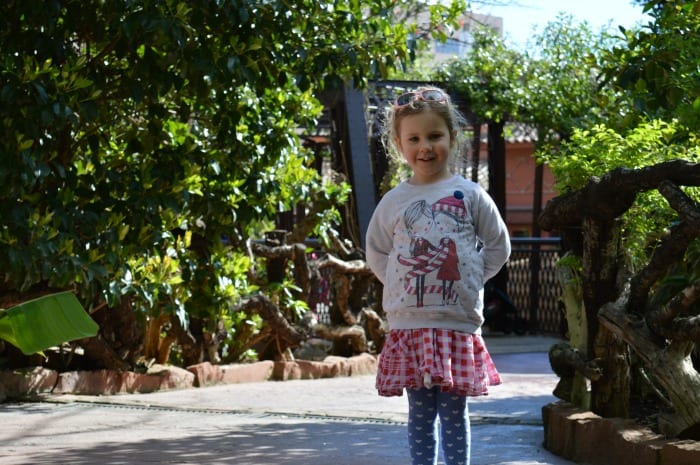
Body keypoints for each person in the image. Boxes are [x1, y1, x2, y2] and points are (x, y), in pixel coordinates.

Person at [365, 86, 511, 465]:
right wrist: (397, 284)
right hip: (410, 324)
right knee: (420, 412)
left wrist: (473, 278)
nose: (425, 146)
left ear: (452, 138)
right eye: (414, 138)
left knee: (453, 412)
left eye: (434, 136)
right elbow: (377, 250)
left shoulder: (470, 194)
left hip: (455, 323)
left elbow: (498, 245)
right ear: (399, 144)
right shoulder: (394, 201)